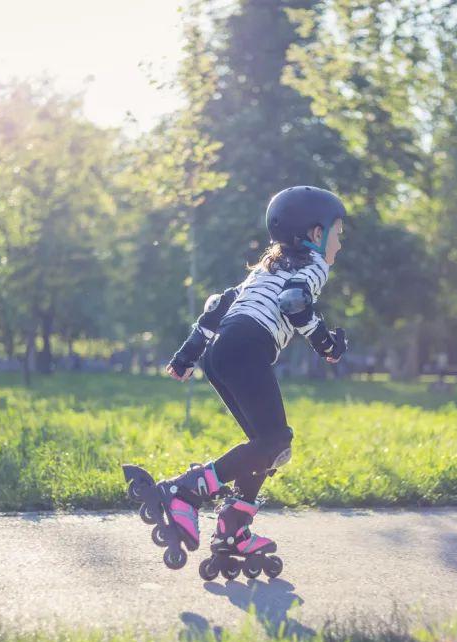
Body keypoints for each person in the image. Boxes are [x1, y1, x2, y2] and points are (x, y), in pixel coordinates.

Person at [139, 186, 348, 577]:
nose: (341, 241)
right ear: (316, 235)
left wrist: (186, 356)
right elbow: (295, 304)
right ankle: (184, 491)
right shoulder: (315, 266)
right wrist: (326, 345)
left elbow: (217, 308)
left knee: (265, 447)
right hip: (249, 347)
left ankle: (233, 529)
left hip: (222, 353)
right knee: (275, 441)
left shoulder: (265, 269)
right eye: (338, 231)